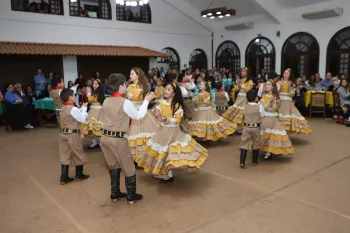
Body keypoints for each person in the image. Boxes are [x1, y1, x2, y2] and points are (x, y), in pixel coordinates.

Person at [135, 83, 208, 183]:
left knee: (169, 152)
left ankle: (168, 175)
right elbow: (158, 117)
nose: (165, 90)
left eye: (168, 89)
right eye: (165, 89)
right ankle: (168, 175)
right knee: (162, 153)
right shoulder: (161, 103)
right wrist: (158, 115)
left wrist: (167, 119)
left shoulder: (177, 106)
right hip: (163, 131)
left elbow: (177, 120)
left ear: (174, 93)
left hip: (173, 132)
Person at [100, 73, 155, 204]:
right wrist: (146, 100)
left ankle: (115, 194)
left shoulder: (106, 100)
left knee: (114, 166)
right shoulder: (125, 102)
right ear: (121, 86)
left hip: (105, 138)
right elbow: (138, 116)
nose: (127, 85)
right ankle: (131, 195)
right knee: (128, 166)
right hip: (118, 140)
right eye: (125, 84)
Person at [58, 88, 89, 185]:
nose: (75, 97)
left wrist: (80, 109)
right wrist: (84, 109)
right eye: (74, 95)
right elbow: (82, 119)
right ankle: (79, 174)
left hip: (63, 134)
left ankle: (64, 177)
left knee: (65, 154)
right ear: (71, 97)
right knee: (78, 152)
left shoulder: (63, 107)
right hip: (72, 134)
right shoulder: (73, 108)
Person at [127, 67, 158, 161]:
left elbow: (145, 99)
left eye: (132, 74)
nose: (130, 76)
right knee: (133, 135)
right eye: (130, 74)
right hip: (132, 112)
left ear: (138, 75)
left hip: (142, 111)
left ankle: (143, 157)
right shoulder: (129, 87)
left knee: (143, 135)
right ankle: (136, 157)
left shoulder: (143, 86)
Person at [259, 80, 294, 160]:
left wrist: (271, 102)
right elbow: (261, 107)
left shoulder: (277, 97)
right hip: (265, 118)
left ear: (273, 87)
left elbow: (275, 109)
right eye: (266, 84)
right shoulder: (264, 96)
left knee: (272, 135)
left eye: (269, 84)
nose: (267, 86)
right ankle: (265, 149)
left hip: (273, 119)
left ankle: (269, 151)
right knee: (264, 134)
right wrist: (269, 103)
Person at [278, 68, 312, 134]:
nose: (285, 75)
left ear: (290, 75)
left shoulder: (291, 83)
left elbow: (292, 94)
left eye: (287, 73)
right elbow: (276, 92)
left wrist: (290, 89)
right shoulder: (279, 82)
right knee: (280, 116)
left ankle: (286, 132)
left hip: (287, 101)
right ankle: (281, 132)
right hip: (280, 101)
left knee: (289, 116)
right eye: (284, 73)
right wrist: (280, 85)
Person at [222, 67, 254, 133]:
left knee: (243, 112)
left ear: (247, 73)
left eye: (243, 71)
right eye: (241, 71)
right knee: (236, 110)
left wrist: (241, 84)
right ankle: (235, 126)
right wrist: (237, 85)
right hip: (239, 97)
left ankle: (243, 127)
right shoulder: (241, 80)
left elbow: (247, 89)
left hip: (245, 98)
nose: (242, 72)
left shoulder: (250, 81)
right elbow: (237, 89)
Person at [239, 90, 264, 168]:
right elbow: (262, 115)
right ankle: (254, 161)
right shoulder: (259, 106)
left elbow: (242, 116)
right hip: (256, 127)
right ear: (256, 98)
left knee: (244, 144)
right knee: (256, 143)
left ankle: (242, 162)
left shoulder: (244, 106)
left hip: (246, 127)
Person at [81, 79, 105, 149]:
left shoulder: (97, 93)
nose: (94, 85)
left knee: (97, 127)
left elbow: (90, 99)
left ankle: (100, 143)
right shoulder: (95, 92)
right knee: (91, 128)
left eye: (96, 84)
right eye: (94, 84)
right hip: (93, 110)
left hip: (97, 111)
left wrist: (88, 93)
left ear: (99, 85)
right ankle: (95, 142)